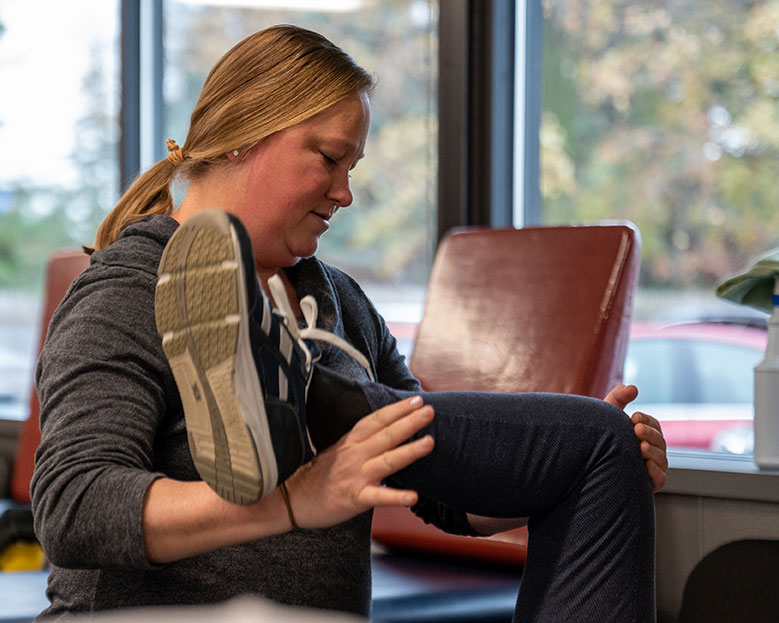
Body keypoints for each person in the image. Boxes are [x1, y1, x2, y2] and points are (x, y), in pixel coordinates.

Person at [31, 24, 667, 623]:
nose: (345, 193)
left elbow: (433, 491)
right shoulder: (126, 290)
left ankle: (322, 399)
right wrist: (288, 501)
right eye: (329, 159)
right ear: (243, 136)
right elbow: (74, 505)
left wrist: (550, 466)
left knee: (599, 448)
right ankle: (321, 400)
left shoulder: (338, 302)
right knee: (582, 437)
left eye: (352, 170)